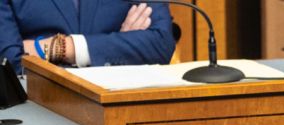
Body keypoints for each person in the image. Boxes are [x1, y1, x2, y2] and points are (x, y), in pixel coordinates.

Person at [0, 1, 175, 74]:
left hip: (121, 112)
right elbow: (9, 63)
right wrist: (119, 47)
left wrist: (64, 47)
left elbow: (161, 43)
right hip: (36, 114)